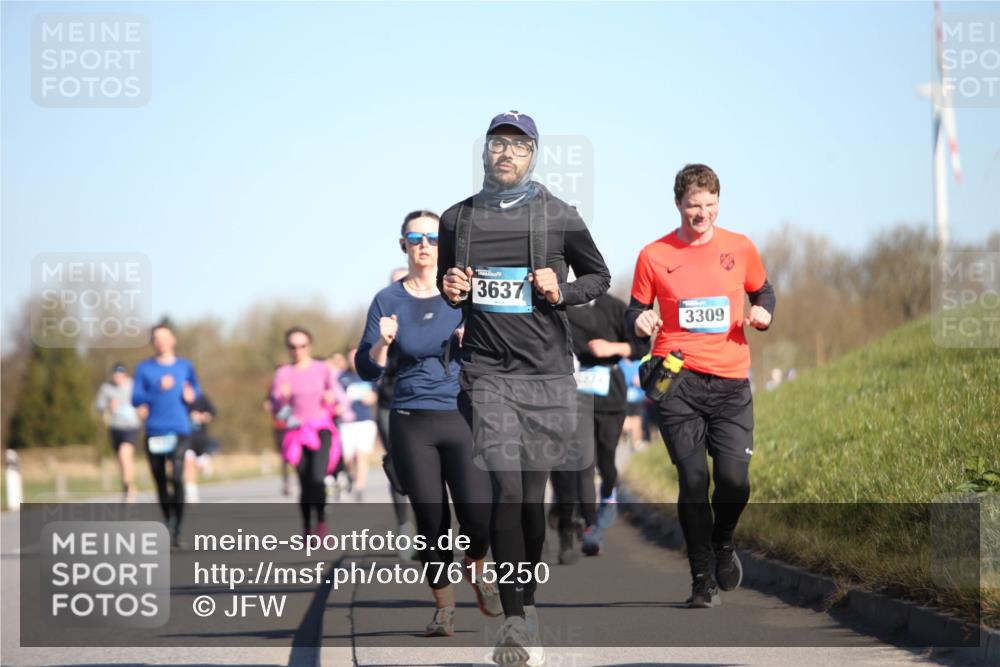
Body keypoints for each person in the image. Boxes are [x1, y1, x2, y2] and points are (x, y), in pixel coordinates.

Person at [438, 111, 611, 664]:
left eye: (518, 145)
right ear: (484, 152)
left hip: (547, 374)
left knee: (531, 501)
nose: (506, 153)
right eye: (497, 144)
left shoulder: (558, 215)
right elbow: (453, 290)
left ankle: (526, 602)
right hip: (486, 372)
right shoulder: (456, 220)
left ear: (533, 154)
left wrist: (559, 288)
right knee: (507, 493)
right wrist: (452, 286)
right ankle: (514, 620)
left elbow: (599, 278)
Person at [626, 163, 775, 608]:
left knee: (734, 482)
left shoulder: (740, 247)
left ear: (718, 203)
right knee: (692, 481)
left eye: (710, 205)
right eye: (694, 206)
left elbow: (763, 292)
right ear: (678, 204)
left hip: (730, 381)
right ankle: (700, 579)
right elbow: (634, 310)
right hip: (678, 381)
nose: (702, 213)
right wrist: (641, 319)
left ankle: (724, 540)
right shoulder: (654, 254)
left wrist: (764, 313)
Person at [357, 210, 501, 637]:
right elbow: (366, 369)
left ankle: (476, 563)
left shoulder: (465, 294)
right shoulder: (388, 300)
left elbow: (503, 348)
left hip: (462, 413)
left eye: (434, 238)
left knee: (478, 514)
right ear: (403, 244)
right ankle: (444, 609)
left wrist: (473, 340)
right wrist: (382, 345)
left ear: (446, 244)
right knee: (432, 521)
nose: (425, 245)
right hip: (411, 419)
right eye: (416, 237)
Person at [553, 293, 646, 561]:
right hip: (573, 396)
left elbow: (641, 347)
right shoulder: (559, 307)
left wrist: (612, 348)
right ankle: (587, 526)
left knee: (606, 465)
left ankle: (606, 499)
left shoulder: (613, 307)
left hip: (610, 398)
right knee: (582, 463)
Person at [270, 326, 353, 537]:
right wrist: (285, 402)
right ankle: (307, 526)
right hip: (296, 433)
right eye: (293, 346)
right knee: (304, 481)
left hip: (321, 430)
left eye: (302, 346)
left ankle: (322, 523)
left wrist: (334, 403)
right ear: (288, 348)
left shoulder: (322, 369)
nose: (298, 350)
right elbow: (277, 410)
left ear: (309, 346)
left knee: (317, 477)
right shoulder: (283, 374)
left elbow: (339, 397)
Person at [132, 321, 201, 547]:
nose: (160, 343)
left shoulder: (185, 366)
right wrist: (156, 389)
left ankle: (177, 525)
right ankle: (169, 520)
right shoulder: (144, 369)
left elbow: (196, 389)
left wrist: (192, 395)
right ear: (153, 343)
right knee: (160, 481)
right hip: (154, 430)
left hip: (179, 428)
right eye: (156, 339)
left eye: (164, 338)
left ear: (173, 340)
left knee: (178, 476)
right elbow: (136, 398)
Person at [375, 267, 416, 558]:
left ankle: (434, 529)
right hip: (391, 401)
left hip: (427, 403)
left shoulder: (435, 314)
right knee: (397, 465)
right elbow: (368, 363)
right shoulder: (381, 321)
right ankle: (404, 526)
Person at [336, 349, 379, 502]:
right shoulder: (341, 377)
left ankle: (360, 487)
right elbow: (334, 397)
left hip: (365, 420)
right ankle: (351, 477)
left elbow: (375, 395)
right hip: (347, 422)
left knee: (361, 454)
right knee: (347, 458)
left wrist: (371, 398)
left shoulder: (369, 375)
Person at [95, 363, 142, 501]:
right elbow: (98, 405)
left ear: (125, 375)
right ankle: (128, 486)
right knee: (121, 460)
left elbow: (142, 399)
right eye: (116, 375)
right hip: (115, 427)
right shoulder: (106, 388)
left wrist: (141, 408)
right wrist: (108, 406)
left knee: (124, 454)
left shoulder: (132, 385)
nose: (118, 378)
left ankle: (128, 488)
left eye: (121, 375)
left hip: (131, 426)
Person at [184, 392, 218, 502]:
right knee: (188, 462)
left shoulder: (202, 398)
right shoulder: (178, 399)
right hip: (184, 438)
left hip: (201, 439)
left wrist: (201, 416)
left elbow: (212, 414)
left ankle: (203, 462)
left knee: (197, 464)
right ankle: (191, 493)